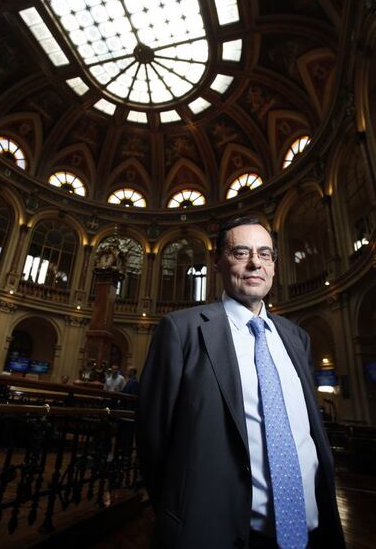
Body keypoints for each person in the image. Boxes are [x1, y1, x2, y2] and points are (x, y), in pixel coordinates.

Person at [136, 217, 345, 549]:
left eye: (265, 254)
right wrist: (182, 515)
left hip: (312, 533)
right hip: (219, 535)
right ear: (218, 261)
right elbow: (153, 439)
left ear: (274, 266)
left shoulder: (297, 338)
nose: (255, 263)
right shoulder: (180, 330)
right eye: (241, 252)